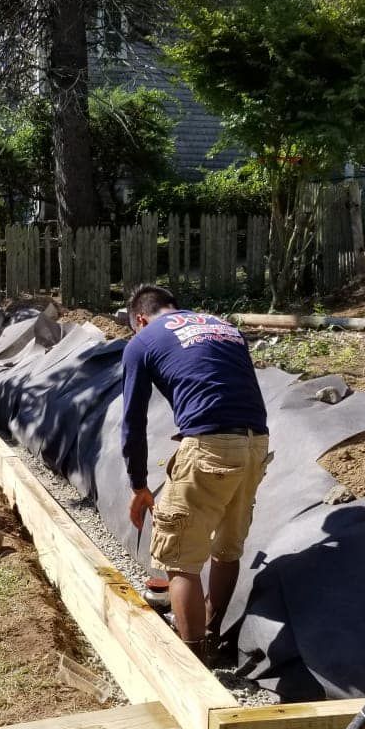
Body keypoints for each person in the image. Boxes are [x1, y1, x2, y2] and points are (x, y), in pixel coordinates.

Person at [121, 284, 269, 662]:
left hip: (209, 443)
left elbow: (133, 422)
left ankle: (193, 665)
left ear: (139, 318)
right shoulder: (223, 326)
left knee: (179, 559)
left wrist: (139, 484)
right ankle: (212, 636)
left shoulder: (142, 340)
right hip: (257, 442)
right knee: (226, 548)